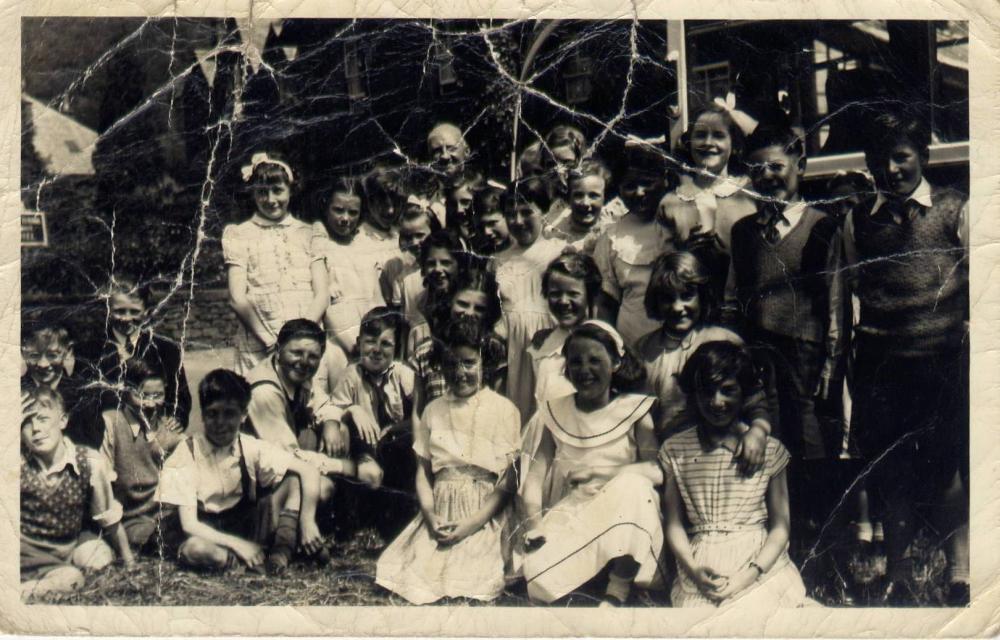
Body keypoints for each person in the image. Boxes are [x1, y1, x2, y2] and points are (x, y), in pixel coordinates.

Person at [843, 110, 969, 605]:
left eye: (902, 157)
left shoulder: (955, 208)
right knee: (890, 466)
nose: (891, 168)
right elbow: (856, 285)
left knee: (946, 466)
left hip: (938, 359)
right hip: (881, 363)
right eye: (880, 159)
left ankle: (959, 571)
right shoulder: (859, 220)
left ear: (922, 157)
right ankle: (897, 573)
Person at [726, 124, 845, 528]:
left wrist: (829, 366)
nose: (767, 177)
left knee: (811, 446)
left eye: (776, 166)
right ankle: (780, 540)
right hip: (760, 359)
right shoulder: (743, 232)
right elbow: (733, 300)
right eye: (756, 171)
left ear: (801, 165)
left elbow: (835, 301)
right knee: (769, 445)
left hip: (806, 357)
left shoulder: (824, 226)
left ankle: (822, 547)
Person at [375, 318, 521, 604]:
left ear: (484, 365)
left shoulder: (503, 410)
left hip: (483, 509)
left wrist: (471, 524)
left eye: (468, 363)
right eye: (451, 363)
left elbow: (508, 481)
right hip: (441, 507)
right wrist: (430, 516)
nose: (460, 372)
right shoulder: (433, 410)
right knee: (416, 569)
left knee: (472, 571)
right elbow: (423, 472)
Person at [660, 341, 813, 608]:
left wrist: (748, 576)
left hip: (757, 561)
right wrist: (693, 570)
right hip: (701, 563)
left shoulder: (771, 450)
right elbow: (674, 525)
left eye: (728, 390)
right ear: (693, 394)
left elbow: (780, 528)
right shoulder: (676, 449)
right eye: (707, 392)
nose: (717, 401)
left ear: (745, 393)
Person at [520, 321, 664, 606]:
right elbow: (534, 479)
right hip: (577, 509)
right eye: (576, 362)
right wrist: (535, 524)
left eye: (595, 360)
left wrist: (603, 472)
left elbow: (656, 471)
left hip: (626, 509)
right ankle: (591, 577)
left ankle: (617, 589)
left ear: (615, 363)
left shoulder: (634, 410)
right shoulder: (556, 412)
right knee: (538, 579)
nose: (585, 370)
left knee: (635, 485)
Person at [156, 369, 330, 574]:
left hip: (243, 525)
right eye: (212, 414)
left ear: (244, 415)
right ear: (202, 415)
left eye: (229, 414)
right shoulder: (187, 453)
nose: (220, 423)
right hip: (207, 532)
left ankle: (281, 553)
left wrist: (307, 521)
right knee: (196, 549)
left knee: (293, 479)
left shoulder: (249, 447)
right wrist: (239, 545)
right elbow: (190, 525)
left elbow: (308, 470)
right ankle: (237, 564)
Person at [636, 251, 772, 450]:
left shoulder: (724, 340)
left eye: (686, 296)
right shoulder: (644, 350)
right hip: (666, 455)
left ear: (702, 295)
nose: (677, 307)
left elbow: (755, 401)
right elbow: (636, 415)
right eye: (667, 298)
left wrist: (758, 431)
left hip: (721, 452)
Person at [21, 387, 134, 598]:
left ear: (63, 421)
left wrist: (129, 561)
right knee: (71, 578)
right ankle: (19, 592)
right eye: (26, 422)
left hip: (64, 550)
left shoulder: (88, 460)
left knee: (98, 561)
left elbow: (108, 517)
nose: (35, 428)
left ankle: (37, 586)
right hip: (22, 552)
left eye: (43, 419)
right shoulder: (16, 462)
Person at [222, 151, 329, 375]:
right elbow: (236, 297)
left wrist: (299, 339)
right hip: (260, 341)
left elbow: (321, 294)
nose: (270, 200)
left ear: (291, 189)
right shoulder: (239, 234)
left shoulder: (310, 233)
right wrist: (271, 342)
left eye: (278, 190)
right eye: (262, 192)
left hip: (304, 341)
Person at [328, 308, 419, 539]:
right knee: (346, 428)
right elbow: (333, 411)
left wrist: (394, 430)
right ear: (358, 343)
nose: (377, 350)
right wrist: (352, 409)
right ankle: (352, 522)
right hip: (364, 450)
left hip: (395, 450)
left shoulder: (402, 373)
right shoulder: (352, 375)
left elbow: (421, 410)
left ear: (396, 348)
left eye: (386, 344)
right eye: (370, 342)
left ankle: (397, 522)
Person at [656, 101, 758, 296]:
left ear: (734, 144)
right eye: (701, 135)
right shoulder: (672, 202)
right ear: (689, 143)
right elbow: (662, 266)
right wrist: (684, 253)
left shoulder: (750, 192)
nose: (708, 143)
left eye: (719, 135)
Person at [77, 275, 193, 442]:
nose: (126, 318)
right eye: (119, 311)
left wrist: (177, 419)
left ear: (146, 312)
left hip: (152, 437)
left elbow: (180, 397)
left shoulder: (166, 350)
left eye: (134, 311)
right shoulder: (89, 350)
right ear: (108, 310)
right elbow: (82, 403)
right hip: (104, 438)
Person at [495, 179, 567, 420]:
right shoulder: (498, 259)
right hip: (511, 347)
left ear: (544, 212)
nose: (517, 221)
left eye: (526, 212)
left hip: (547, 339)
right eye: (510, 214)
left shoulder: (557, 252)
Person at [99, 358, 185, 553]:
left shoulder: (169, 430)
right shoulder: (112, 423)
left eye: (158, 395)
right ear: (126, 391)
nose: (150, 404)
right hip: (131, 520)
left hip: (165, 517)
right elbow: (103, 483)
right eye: (142, 395)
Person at [593, 139, 672, 347]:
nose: (639, 192)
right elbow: (606, 304)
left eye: (647, 182)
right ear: (619, 190)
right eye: (629, 186)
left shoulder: (679, 226)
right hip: (632, 339)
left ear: (664, 180)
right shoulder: (611, 237)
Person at [410, 269, 508, 415]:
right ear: (449, 302)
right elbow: (418, 414)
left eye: (479, 308)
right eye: (463, 304)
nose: (469, 313)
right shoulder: (425, 351)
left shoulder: (494, 349)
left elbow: (499, 408)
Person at [314, 177, 388, 367]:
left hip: (371, 338)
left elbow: (377, 298)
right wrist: (351, 346)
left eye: (353, 212)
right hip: (338, 339)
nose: (345, 218)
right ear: (325, 207)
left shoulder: (365, 244)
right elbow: (326, 308)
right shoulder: (319, 244)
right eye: (338, 210)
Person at [526, 251, 603, 406]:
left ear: (590, 296)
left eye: (573, 294)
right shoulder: (544, 344)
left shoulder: (602, 343)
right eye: (555, 294)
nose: (563, 301)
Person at [21, 319, 102, 449]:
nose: (43, 364)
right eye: (34, 355)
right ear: (23, 352)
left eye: (52, 355)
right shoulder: (11, 393)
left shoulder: (83, 396)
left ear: (68, 351)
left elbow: (92, 443)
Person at [397, 230, 464, 357]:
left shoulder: (469, 303)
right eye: (431, 263)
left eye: (446, 263)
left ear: (458, 265)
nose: (438, 269)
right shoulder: (420, 305)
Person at [543, 158, 615, 255]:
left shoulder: (613, 234)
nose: (585, 203)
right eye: (578, 195)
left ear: (604, 197)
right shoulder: (553, 234)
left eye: (594, 196)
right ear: (568, 198)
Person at [470, 179, 513, 257]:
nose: (487, 232)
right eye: (481, 226)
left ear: (509, 217)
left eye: (492, 223)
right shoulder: (481, 255)